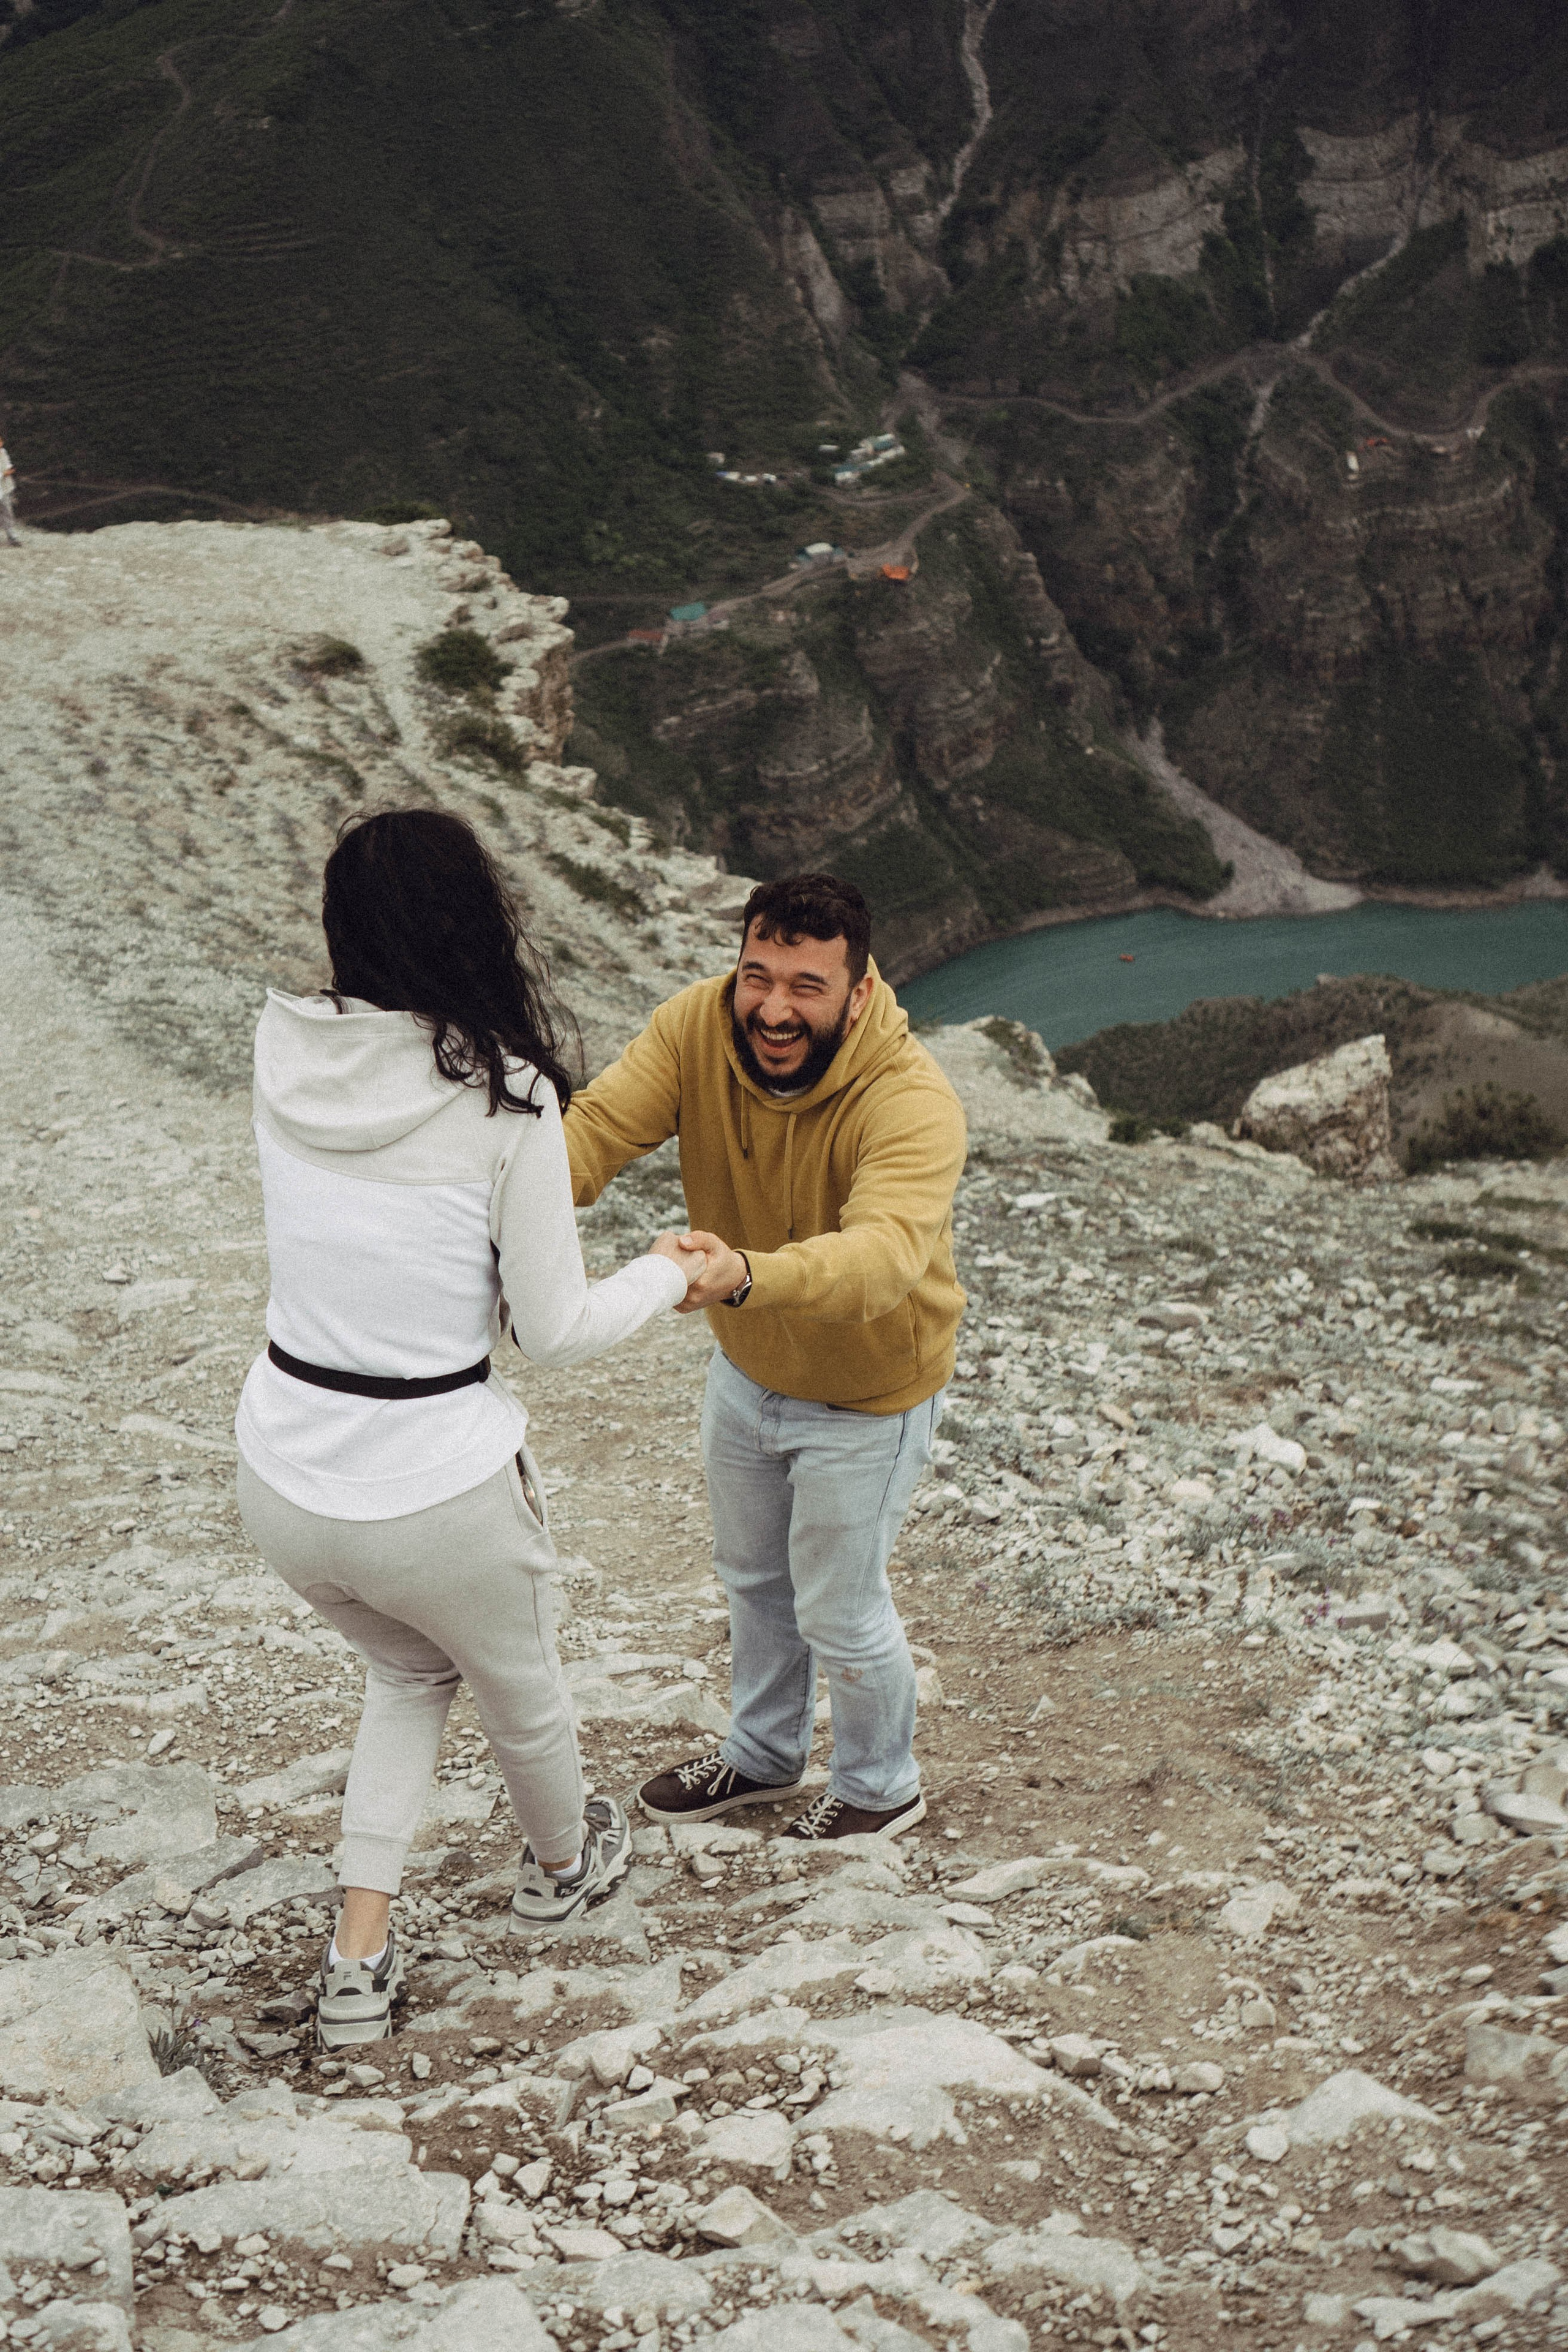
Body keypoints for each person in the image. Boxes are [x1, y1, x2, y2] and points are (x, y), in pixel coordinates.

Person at [235, 809, 701, 2050]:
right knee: (520, 1688)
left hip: (283, 1467)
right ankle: (562, 1868)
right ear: (473, 925)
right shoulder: (506, 1096)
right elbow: (549, 1330)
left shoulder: (282, 1054)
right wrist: (665, 1272)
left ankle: (358, 1957)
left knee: (408, 1666)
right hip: (432, 1483)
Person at [564, 873, 967, 1842]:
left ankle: (880, 1786)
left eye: (806, 986)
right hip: (747, 1371)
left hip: (866, 1395)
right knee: (753, 1579)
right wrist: (485, 1209)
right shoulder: (696, 1028)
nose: (773, 1009)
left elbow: (879, 1263)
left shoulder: (911, 1100)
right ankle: (763, 1754)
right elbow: (593, 1133)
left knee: (840, 1606)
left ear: (859, 992)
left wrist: (744, 1274)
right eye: (758, 976)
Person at [0, 440, 18, 546]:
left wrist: (9, 469)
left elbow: (7, 464)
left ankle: (12, 537)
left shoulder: (3, 452)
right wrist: (3, 474)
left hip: (5, 488)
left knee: (7, 511)